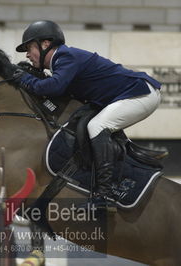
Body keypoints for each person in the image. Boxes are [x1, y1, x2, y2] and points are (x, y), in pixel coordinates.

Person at [13, 20, 161, 209]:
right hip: (131, 94)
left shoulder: (65, 56)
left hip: (142, 94)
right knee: (94, 123)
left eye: (29, 47)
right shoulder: (61, 62)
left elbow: (53, 87)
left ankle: (104, 195)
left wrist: (25, 79)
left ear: (45, 44)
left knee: (97, 126)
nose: (27, 54)